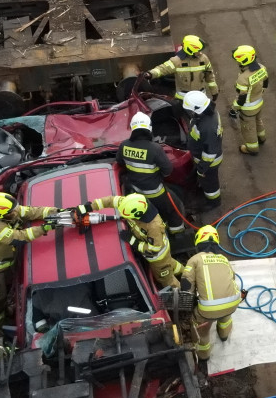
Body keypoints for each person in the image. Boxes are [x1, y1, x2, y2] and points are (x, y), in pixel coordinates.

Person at [0, 193, 64, 339]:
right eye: (12, 211)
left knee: (7, 290)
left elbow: (32, 212)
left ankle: (5, 311)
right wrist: (45, 228)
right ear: (2, 214)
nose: (16, 211)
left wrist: (57, 212)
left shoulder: (10, 213)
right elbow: (21, 237)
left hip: (5, 264)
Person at [76, 194, 183, 289]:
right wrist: (89, 206)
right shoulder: (130, 203)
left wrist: (133, 241)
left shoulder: (153, 226)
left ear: (136, 214)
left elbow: (155, 248)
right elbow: (110, 201)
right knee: (171, 264)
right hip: (163, 255)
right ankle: (188, 273)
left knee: (165, 279)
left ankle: (182, 294)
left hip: (157, 258)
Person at [180, 225, 242, 361]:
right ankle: (224, 335)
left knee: (201, 331)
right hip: (233, 303)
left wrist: (189, 307)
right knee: (225, 315)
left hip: (208, 310)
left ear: (198, 242)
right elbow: (232, 278)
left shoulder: (194, 260)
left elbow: (186, 287)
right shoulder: (224, 259)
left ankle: (204, 355)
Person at [117, 111, 185, 235]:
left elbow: (120, 162)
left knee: (148, 217)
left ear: (132, 129)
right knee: (175, 209)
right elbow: (168, 170)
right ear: (149, 128)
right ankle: (178, 236)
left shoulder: (124, 146)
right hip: (156, 194)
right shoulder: (154, 148)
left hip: (136, 193)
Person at [143, 35, 219, 102]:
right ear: (190, 50)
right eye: (197, 51)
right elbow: (162, 69)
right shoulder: (176, 61)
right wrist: (150, 74)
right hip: (183, 99)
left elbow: (210, 76)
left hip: (200, 96)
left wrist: (214, 91)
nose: (199, 53)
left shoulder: (204, 59)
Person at [183, 90, 223, 209]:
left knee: (210, 183)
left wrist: (202, 168)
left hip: (209, 163)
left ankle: (213, 202)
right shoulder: (206, 114)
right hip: (202, 157)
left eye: (190, 110)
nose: (189, 112)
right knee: (205, 179)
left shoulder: (207, 127)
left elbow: (210, 153)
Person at [232, 44, 268, 155]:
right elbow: (266, 82)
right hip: (259, 102)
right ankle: (262, 138)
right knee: (258, 121)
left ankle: (252, 149)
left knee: (248, 129)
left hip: (248, 109)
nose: (237, 62)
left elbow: (241, 98)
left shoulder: (243, 78)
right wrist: (261, 93)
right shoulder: (262, 68)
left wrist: (234, 109)